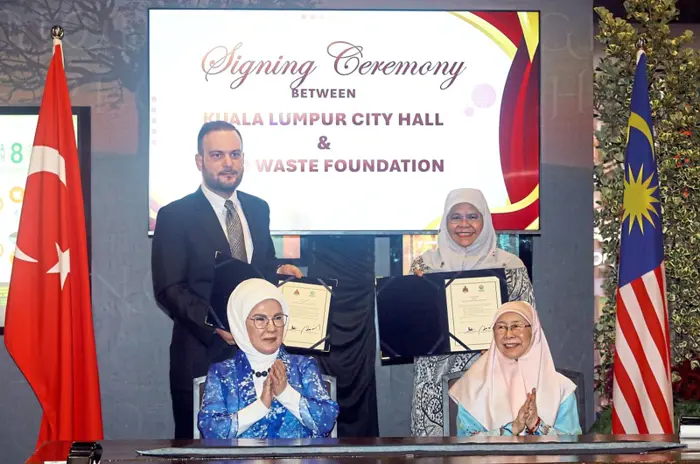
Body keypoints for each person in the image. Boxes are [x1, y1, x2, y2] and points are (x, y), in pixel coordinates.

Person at [151, 121, 302, 439]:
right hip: (202, 353)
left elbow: (257, 271)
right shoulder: (174, 216)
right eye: (217, 155)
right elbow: (169, 288)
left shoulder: (258, 209)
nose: (228, 163)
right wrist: (216, 324)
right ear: (200, 161)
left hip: (258, 356)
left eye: (235, 154)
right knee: (201, 450)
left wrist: (280, 276)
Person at [410, 188, 536, 437]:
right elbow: (411, 326)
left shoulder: (510, 266)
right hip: (435, 383)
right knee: (436, 453)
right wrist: (412, 292)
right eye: (455, 217)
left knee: (491, 449)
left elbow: (528, 326)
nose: (464, 224)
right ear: (445, 222)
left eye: (472, 216)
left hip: (494, 373)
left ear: (485, 220)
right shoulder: (424, 266)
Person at [198, 278, 339, 438]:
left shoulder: (303, 366)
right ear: (240, 324)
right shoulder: (222, 373)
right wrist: (260, 407)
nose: (271, 328)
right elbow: (210, 431)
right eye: (260, 319)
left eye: (278, 318)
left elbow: (326, 422)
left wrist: (286, 394)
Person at [448, 301, 581, 436]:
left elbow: (572, 445)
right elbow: (466, 443)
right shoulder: (473, 386)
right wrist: (512, 429)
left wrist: (536, 425)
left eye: (516, 326)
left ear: (534, 330)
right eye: (501, 327)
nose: (508, 334)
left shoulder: (560, 388)